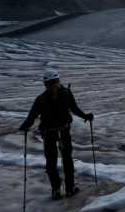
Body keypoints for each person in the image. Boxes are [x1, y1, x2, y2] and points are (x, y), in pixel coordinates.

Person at [19, 69, 94, 200]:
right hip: (54, 132)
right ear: (46, 84)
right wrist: (25, 126)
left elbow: (73, 108)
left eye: (54, 82)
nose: (52, 85)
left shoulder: (45, 98)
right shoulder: (59, 95)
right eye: (50, 83)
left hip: (56, 132)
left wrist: (85, 116)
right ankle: (62, 189)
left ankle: (63, 189)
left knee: (60, 160)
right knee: (57, 161)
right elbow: (32, 116)